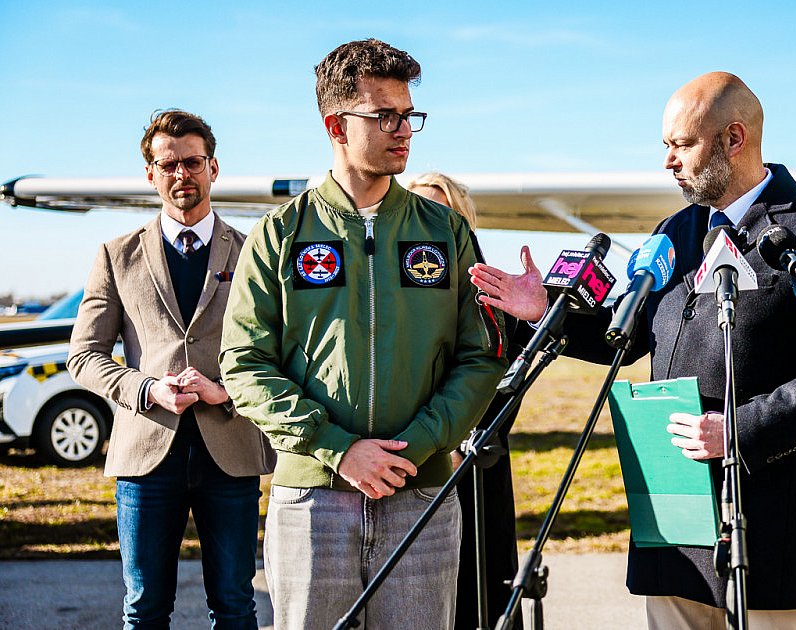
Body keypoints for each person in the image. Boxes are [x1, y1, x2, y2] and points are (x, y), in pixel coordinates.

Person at [469, 72, 796, 630]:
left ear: (734, 139)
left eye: (681, 144)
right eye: (665, 145)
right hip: (673, 524)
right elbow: (629, 334)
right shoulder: (674, 233)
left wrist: (736, 430)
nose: (668, 161)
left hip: (767, 526)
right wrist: (545, 308)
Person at [219, 40, 508, 630]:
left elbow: (482, 354)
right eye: (385, 116)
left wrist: (418, 446)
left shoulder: (444, 231)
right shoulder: (280, 234)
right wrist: (337, 448)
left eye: (409, 115)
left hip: (420, 495)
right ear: (335, 124)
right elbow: (244, 362)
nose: (404, 130)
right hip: (311, 501)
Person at [67, 109, 274, 629]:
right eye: (169, 164)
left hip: (231, 449)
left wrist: (224, 391)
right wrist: (146, 388)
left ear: (214, 167)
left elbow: (278, 353)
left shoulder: (254, 255)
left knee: (235, 604)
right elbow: (83, 355)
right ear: (151, 175)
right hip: (145, 457)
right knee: (144, 608)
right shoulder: (117, 255)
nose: (183, 173)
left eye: (193, 162)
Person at [406, 171, 524, 630]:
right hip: (405, 460)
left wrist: (462, 439)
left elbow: (505, 372)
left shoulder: (490, 292)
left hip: (474, 464)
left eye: (441, 213)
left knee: (478, 590)